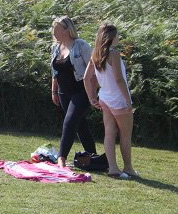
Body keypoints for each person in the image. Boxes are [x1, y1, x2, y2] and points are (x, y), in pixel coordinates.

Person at [83, 23, 138, 179]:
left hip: (105, 98)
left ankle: (113, 168)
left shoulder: (95, 53)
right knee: (125, 135)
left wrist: (91, 97)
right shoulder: (114, 54)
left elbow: (86, 78)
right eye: (117, 35)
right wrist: (128, 100)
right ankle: (128, 168)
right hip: (118, 99)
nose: (118, 38)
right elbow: (119, 79)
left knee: (109, 134)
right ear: (111, 37)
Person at [50, 16, 97, 168]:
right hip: (64, 93)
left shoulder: (81, 45)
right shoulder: (55, 47)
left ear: (66, 29)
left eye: (57, 29)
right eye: (53, 28)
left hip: (81, 91)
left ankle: (61, 158)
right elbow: (54, 72)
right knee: (80, 125)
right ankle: (93, 157)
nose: (54, 32)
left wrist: (92, 94)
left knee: (69, 123)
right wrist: (54, 91)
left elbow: (94, 70)